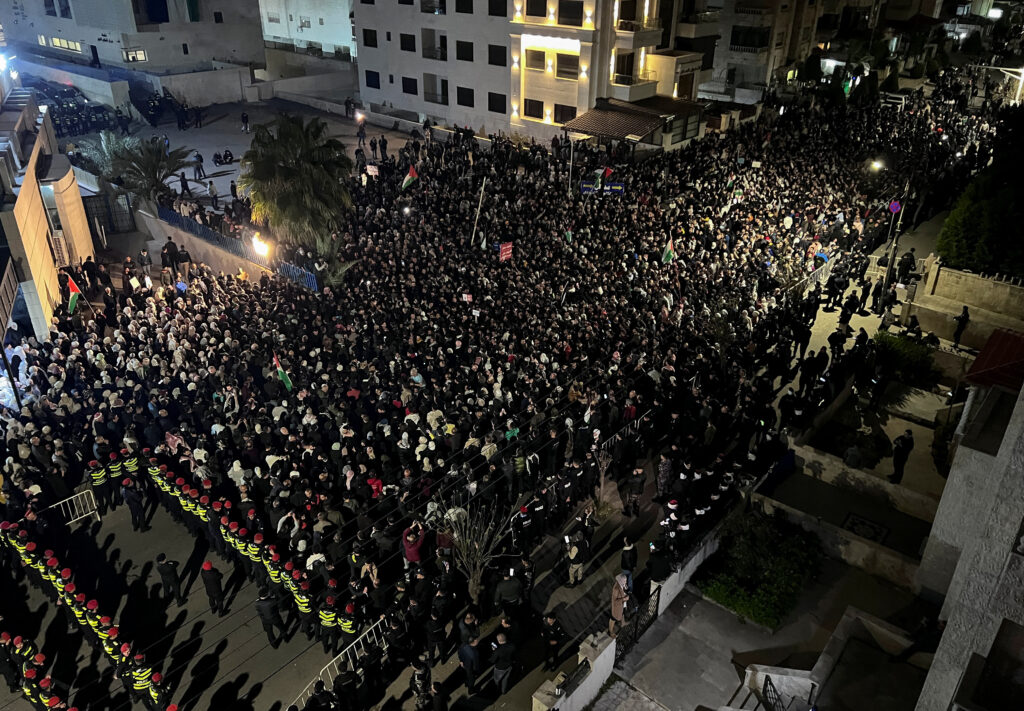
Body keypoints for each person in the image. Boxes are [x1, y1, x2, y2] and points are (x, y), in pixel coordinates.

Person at [609, 574, 629, 638]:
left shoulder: (622, 584)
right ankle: (611, 632)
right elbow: (615, 601)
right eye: (624, 581)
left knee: (622, 613)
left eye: (626, 581)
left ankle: (622, 623)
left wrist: (625, 587)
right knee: (613, 619)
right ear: (620, 581)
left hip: (622, 605)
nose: (626, 582)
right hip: (617, 607)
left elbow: (624, 589)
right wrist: (624, 599)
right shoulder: (616, 589)